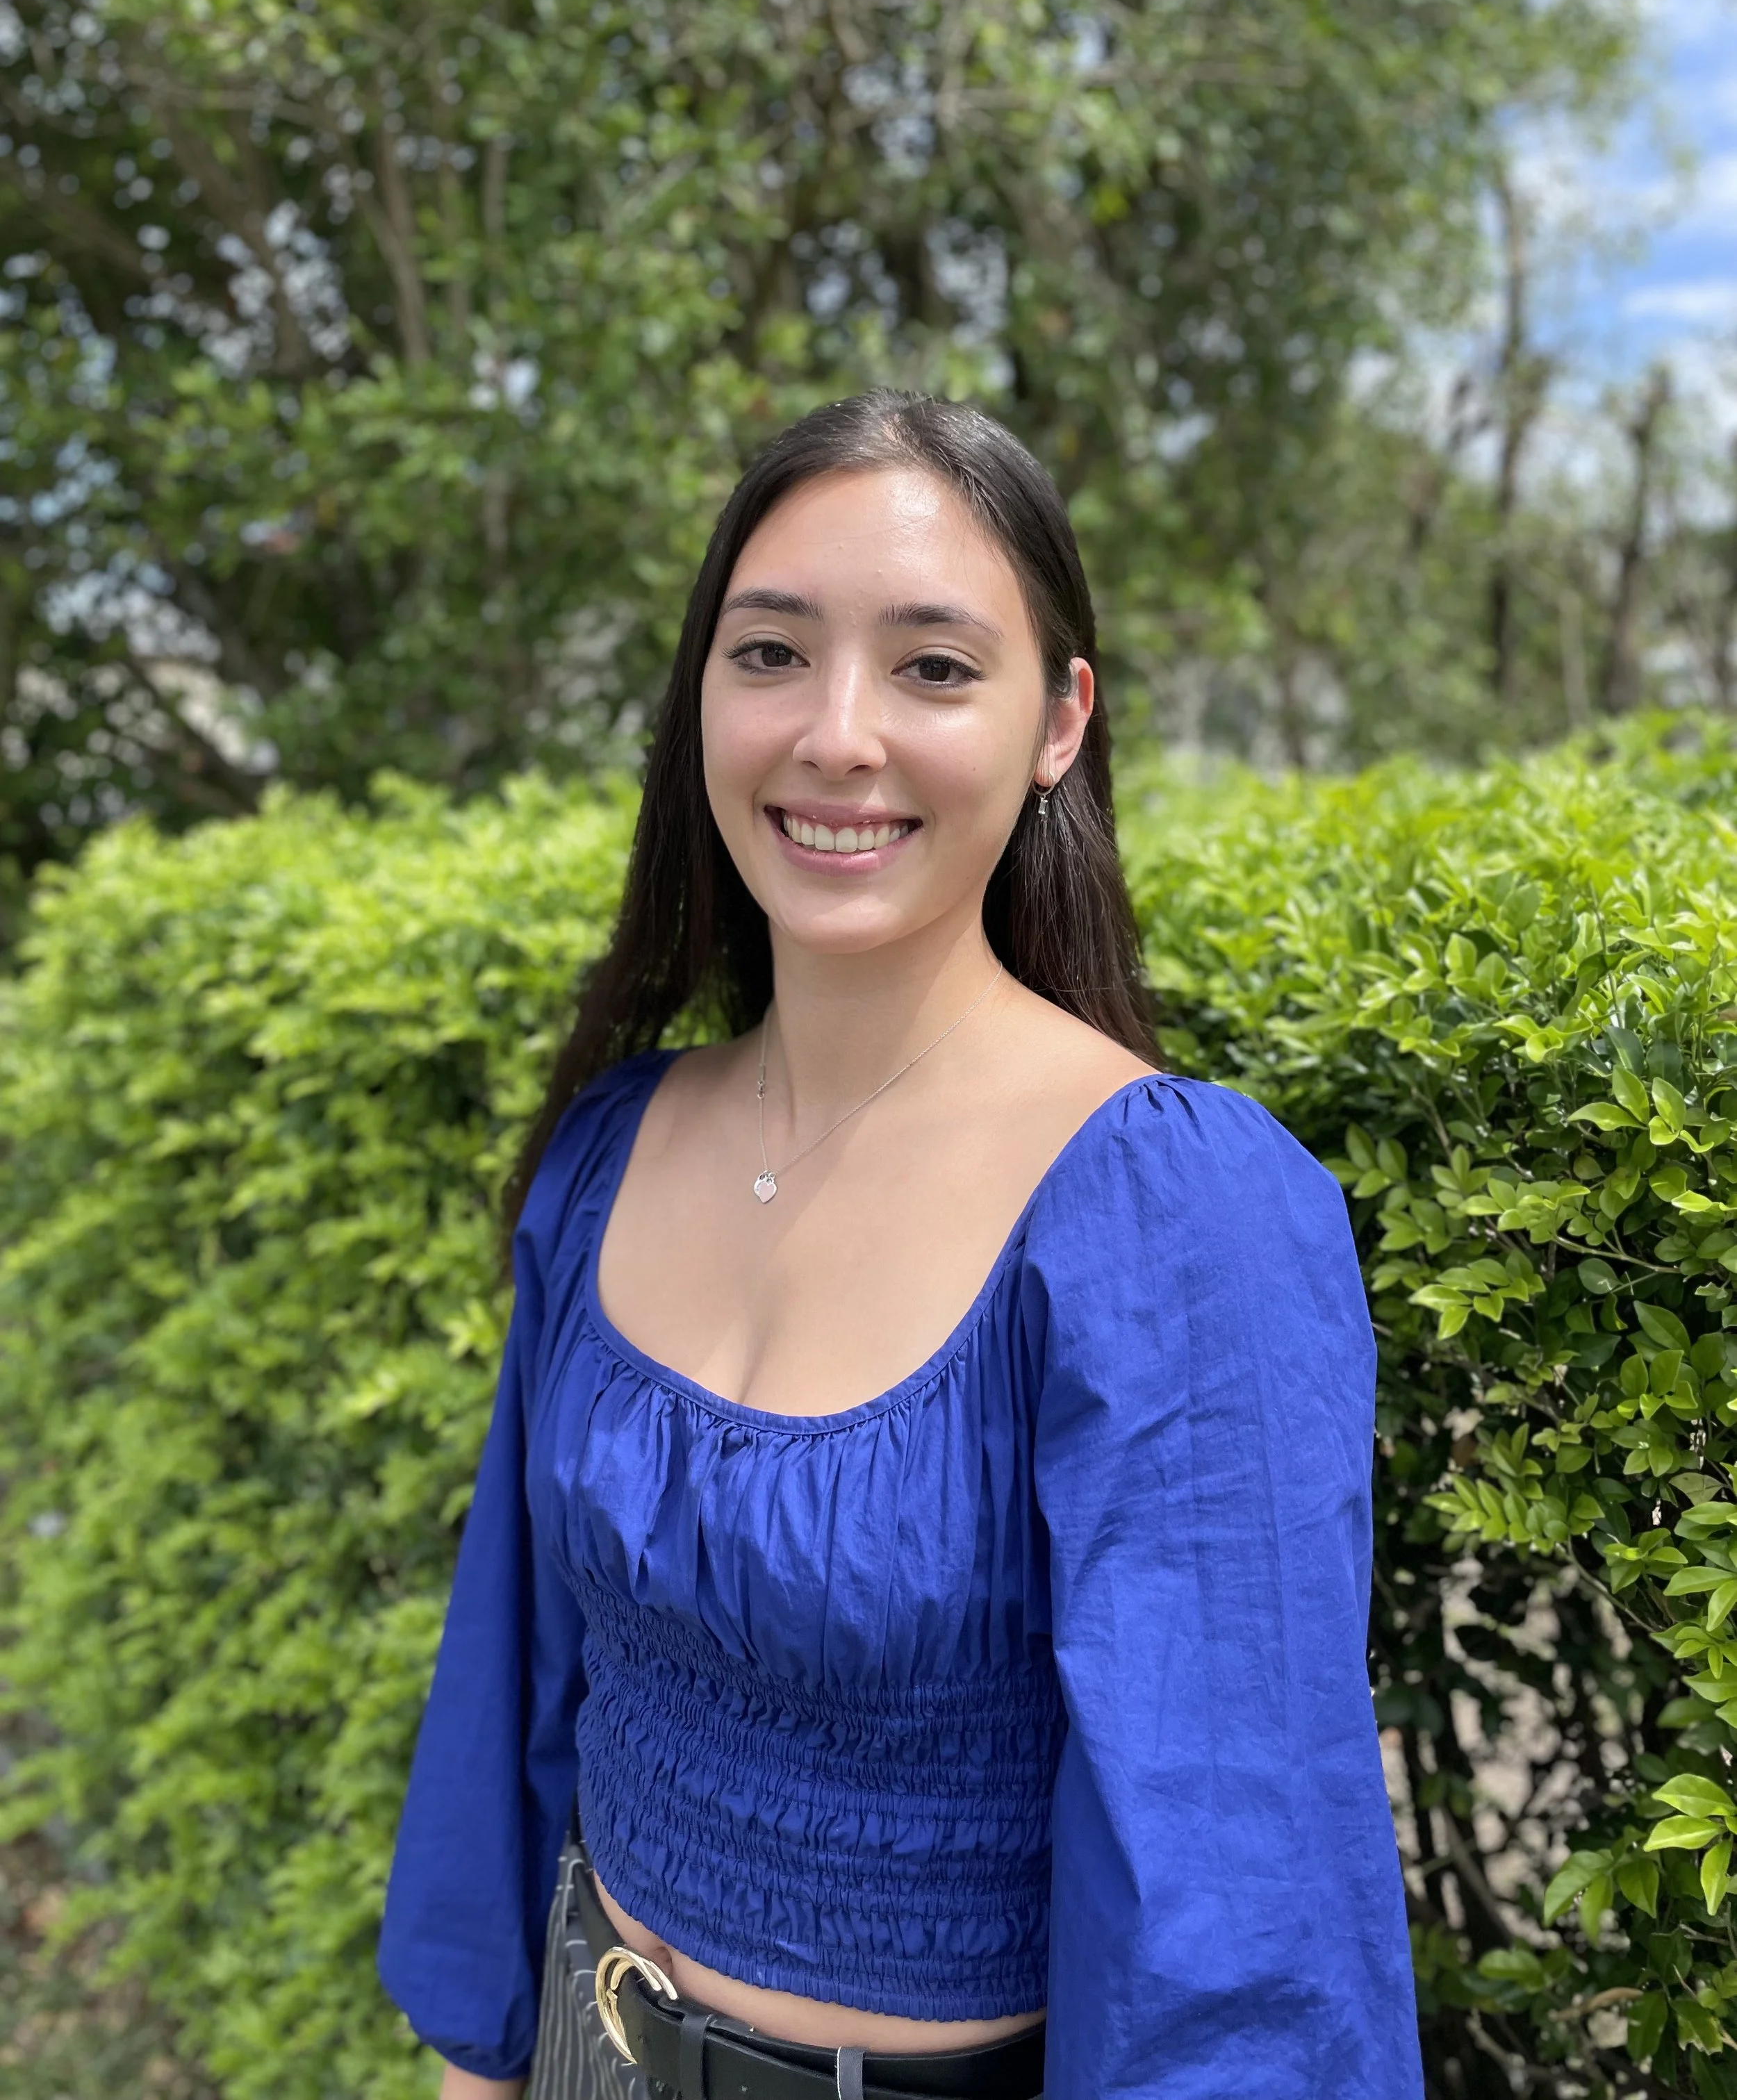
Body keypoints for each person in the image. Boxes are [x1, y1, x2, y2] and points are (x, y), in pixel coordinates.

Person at [377, 391, 1422, 2100]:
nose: (836, 735)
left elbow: (1236, 1927)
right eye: (770, 652)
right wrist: (485, 2064)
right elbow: (519, 1685)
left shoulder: (1170, 1216)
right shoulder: (605, 1153)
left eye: (932, 668)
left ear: (1057, 722)